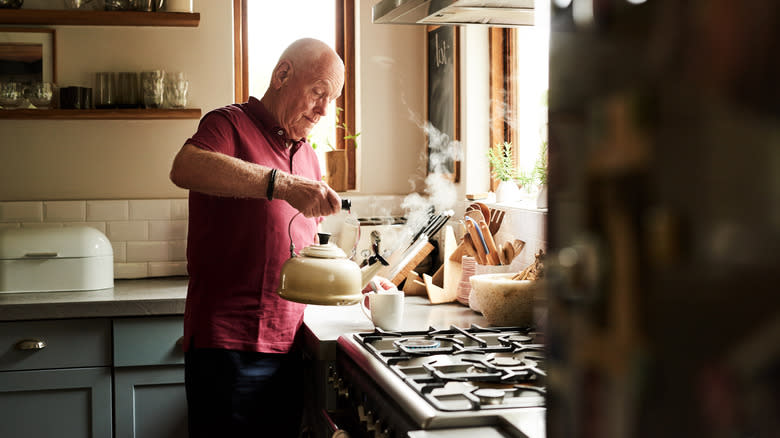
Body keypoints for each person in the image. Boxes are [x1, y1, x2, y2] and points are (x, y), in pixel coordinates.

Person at [169, 38, 344, 437]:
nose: (323, 109)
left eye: (330, 99)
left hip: (290, 347)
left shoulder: (309, 156)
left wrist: (360, 290)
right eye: (318, 91)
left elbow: (301, 252)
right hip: (227, 347)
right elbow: (185, 167)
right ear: (282, 74)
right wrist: (281, 184)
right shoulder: (228, 124)